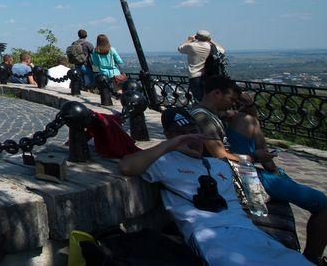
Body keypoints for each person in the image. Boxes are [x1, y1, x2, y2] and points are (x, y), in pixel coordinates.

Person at [119, 107, 309, 266]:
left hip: (246, 228)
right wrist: (172, 145)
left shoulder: (218, 165)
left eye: (193, 132)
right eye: (182, 134)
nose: (191, 139)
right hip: (210, 235)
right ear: (169, 136)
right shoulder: (164, 162)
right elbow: (127, 166)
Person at [227, 92, 327, 263]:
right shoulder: (248, 122)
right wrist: (273, 171)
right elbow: (266, 160)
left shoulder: (214, 118)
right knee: (323, 204)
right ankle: (312, 257)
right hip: (249, 175)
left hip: (240, 172)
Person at [179, 30, 227, 102]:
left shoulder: (192, 46)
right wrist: (210, 41)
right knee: (207, 98)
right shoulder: (209, 47)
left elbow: (180, 48)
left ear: (197, 37)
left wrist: (189, 40)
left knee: (199, 99)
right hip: (208, 75)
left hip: (194, 76)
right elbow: (222, 50)